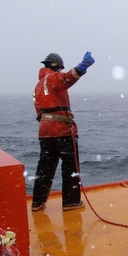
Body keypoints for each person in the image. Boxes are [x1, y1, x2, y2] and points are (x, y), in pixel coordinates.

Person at [31, 51, 95, 211]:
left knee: (44, 167)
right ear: (57, 66)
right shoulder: (52, 78)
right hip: (62, 131)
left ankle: (37, 202)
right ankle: (71, 202)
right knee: (70, 167)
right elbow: (67, 78)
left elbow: (39, 112)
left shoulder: (38, 86)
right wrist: (83, 66)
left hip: (45, 132)